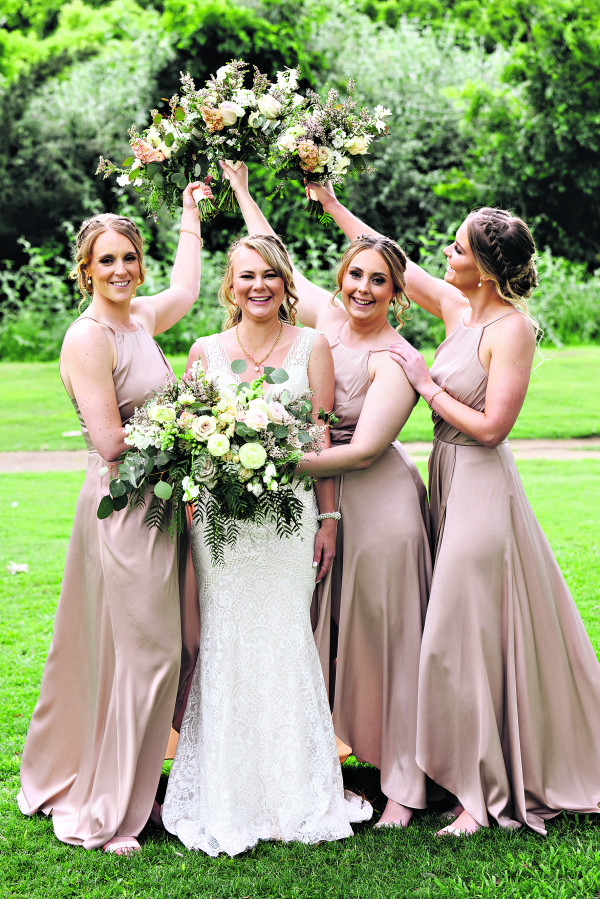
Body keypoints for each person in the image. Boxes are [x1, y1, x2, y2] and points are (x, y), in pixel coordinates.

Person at [314, 183, 600, 836]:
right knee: (463, 636)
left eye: (459, 247)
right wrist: (329, 202)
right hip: (444, 477)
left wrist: (425, 385)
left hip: (481, 482)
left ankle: (479, 796)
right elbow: (387, 256)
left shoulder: (512, 329)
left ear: (486, 266)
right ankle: (457, 774)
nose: (446, 252)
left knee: (455, 639)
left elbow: (494, 427)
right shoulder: (455, 307)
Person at [222, 162, 433, 828]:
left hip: (381, 508)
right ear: (341, 279)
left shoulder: (395, 358)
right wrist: (242, 192)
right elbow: (270, 260)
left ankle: (406, 787)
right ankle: (325, 759)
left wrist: (269, 455)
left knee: (390, 641)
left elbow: (364, 449)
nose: (363, 288)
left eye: (379, 280)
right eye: (355, 275)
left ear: (397, 293)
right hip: (324, 501)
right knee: (326, 632)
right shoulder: (325, 321)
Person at [161, 231, 372, 857]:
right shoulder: (204, 351)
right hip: (221, 528)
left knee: (284, 637)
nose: (259, 286)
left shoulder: (313, 346)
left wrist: (328, 520)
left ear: (285, 283)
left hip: (289, 522)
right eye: (247, 275)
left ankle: (293, 785)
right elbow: (189, 445)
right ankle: (228, 790)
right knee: (225, 641)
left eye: (270, 275)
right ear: (230, 285)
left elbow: (320, 439)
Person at [17, 180, 212, 854]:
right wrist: (201, 425)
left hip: (163, 504)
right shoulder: (89, 337)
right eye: (107, 260)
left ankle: (140, 784)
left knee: (170, 646)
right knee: (150, 652)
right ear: (86, 269)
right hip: (124, 508)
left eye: (129, 257)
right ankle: (111, 808)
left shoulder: (139, 320)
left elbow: (186, 290)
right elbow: (110, 442)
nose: (122, 269)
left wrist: (190, 214)